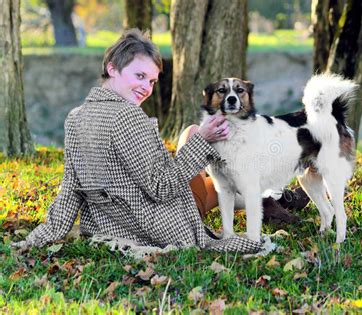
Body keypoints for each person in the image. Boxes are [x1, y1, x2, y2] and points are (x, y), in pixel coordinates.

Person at [13, 29, 307, 253]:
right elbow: (162, 187)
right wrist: (202, 141)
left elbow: (71, 190)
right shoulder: (127, 117)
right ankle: (272, 192)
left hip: (110, 224)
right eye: (140, 76)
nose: (146, 88)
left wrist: (37, 238)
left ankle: (271, 195)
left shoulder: (76, 117)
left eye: (152, 81)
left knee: (216, 173)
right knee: (195, 136)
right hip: (160, 224)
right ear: (112, 68)